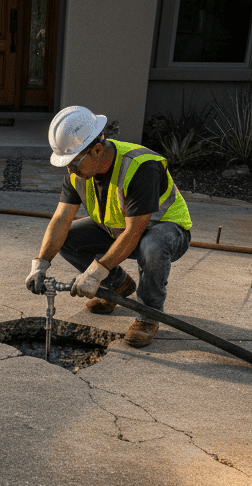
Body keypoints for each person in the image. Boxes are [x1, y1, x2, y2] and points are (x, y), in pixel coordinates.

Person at [25, 105, 192, 347]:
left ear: (97, 150)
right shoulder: (77, 172)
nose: (70, 169)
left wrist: (94, 273)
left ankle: (149, 315)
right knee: (70, 239)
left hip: (165, 230)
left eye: (74, 162)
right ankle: (117, 286)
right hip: (117, 230)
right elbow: (61, 219)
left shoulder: (142, 167)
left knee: (152, 247)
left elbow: (135, 232)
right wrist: (41, 264)